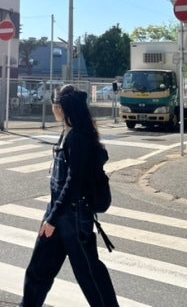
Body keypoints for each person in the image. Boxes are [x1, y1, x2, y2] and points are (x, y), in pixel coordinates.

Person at [19, 84, 119, 307]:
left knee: (90, 275)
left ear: (61, 108)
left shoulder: (78, 138)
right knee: (39, 271)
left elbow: (74, 182)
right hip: (61, 214)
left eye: (55, 105)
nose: (53, 109)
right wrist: (53, 216)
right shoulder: (71, 133)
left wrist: (52, 218)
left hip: (72, 218)